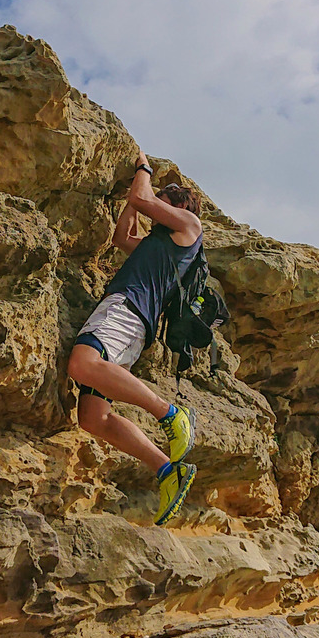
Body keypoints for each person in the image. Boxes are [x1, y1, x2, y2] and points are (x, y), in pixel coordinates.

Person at [67, 150, 202, 525]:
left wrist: (143, 171)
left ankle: (171, 414)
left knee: (82, 364)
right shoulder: (158, 245)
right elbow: (120, 236)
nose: (161, 194)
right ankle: (166, 470)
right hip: (133, 327)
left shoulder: (189, 227)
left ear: (180, 204)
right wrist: (134, 195)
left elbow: (143, 200)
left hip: (125, 311)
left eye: (168, 192)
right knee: (94, 419)